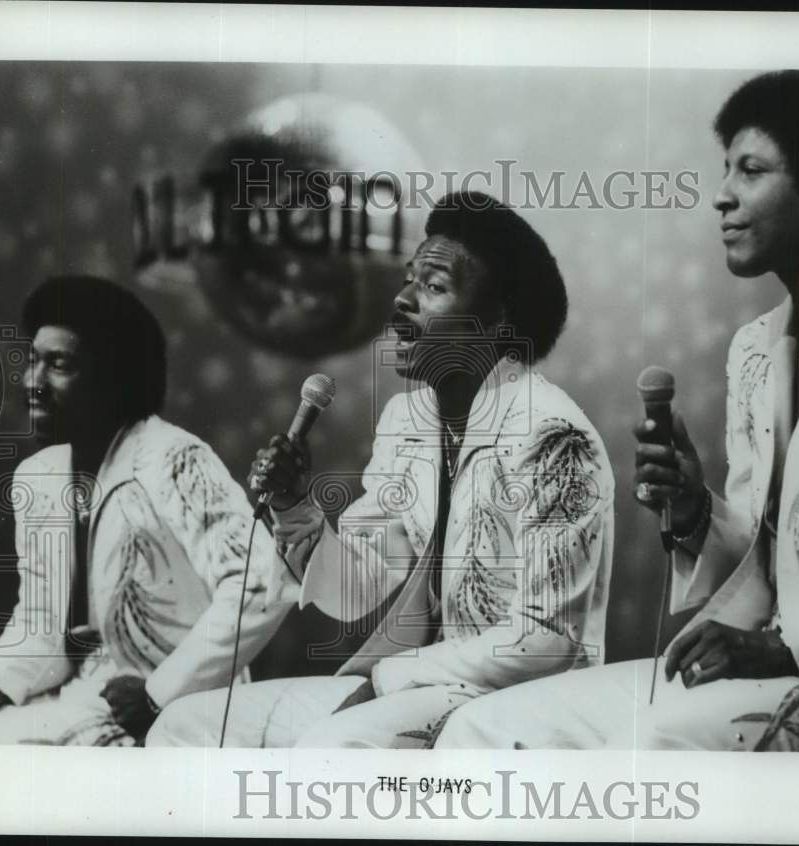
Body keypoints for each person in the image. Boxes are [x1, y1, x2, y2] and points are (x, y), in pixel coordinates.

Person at [435, 70, 799, 751]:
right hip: (775, 664)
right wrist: (696, 512)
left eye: (751, 170)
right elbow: (768, 569)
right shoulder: (756, 350)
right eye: (725, 168)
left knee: (654, 749)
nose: (721, 196)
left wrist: (791, 647)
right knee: (485, 728)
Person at [147, 191, 615, 748]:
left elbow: (546, 640)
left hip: (522, 704)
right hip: (421, 685)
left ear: (498, 320)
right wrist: (297, 506)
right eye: (407, 280)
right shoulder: (407, 420)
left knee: (330, 750)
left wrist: (389, 679)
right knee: (186, 727)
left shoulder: (556, 437)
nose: (402, 301)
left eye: (434, 287)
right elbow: (356, 589)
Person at [0, 276, 294, 745]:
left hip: (184, 718)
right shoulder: (38, 478)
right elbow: (40, 638)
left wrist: (158, 694)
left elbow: (261, 583)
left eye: (58, 364)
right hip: (82, 705)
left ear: (112, 377)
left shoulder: (174, 458)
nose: (32, 382)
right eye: (33, 361)